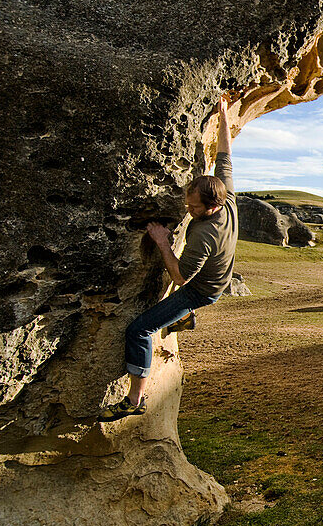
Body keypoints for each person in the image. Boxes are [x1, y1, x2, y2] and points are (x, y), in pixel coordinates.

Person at [99, 97, 238, 422]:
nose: (188, 211)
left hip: (202, 289)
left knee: (140, 331)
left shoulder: (205, 235)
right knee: (169, 311)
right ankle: (181, 316)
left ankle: (134, 399)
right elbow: (226, 156)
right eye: (187, 204)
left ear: (211, 207)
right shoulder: (227, 193)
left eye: (193, 209)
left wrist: (162, 242)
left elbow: (180, 278)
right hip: (217, 277)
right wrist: (223, 116)